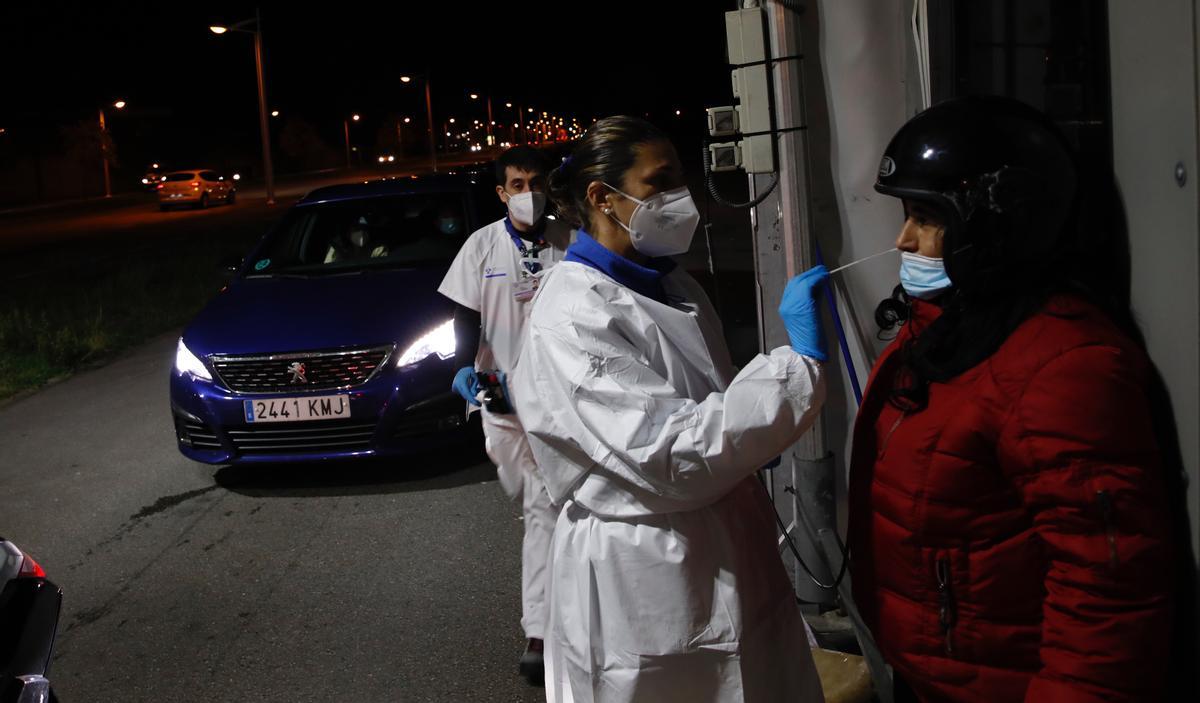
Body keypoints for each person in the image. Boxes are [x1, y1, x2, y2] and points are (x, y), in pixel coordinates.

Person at [847, 96, 1176, 702]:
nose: (903, 239)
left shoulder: (1064, 368)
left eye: (926, 217)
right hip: (934, 675)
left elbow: (1106, 595)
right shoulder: (946, 329)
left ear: (998, 223)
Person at [511, 115, 829, 703]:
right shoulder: (572, 316)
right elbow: (668, 451)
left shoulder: (669, 285)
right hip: (646, 566)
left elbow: (709, 406)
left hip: (719, 545)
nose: (681, 198)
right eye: (661, 182)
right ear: (603, 198)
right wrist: (794, 367)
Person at [437, 145, 573, 684]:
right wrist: (463, 370)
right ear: (501, 192)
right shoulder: (481, 247)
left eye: (535, 181)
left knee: (543, 503)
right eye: (517, 184)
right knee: (531, 495)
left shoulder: (572, 242)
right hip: (499, 394)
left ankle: (540, 632)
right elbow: (464, 318)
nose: (528, 193)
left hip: (559, 398)